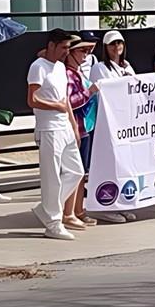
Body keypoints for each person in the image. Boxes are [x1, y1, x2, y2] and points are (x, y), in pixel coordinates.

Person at [27, 29, 84, 241]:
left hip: (64, 127)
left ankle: (48, 210)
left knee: (76, 171)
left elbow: (65, 100)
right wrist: (56, 106)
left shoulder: (60, 67)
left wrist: (73, 125)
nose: (65, 52)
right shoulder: (38, 67)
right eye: (63, 47)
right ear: (51, 45)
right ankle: (53, 222)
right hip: (48, 127)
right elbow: (32, 100)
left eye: (68, 48)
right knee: (52, 177)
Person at [87, 30, 137, 225]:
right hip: (107, 121)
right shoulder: (100, 67)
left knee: (123, 164)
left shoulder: (127, 66)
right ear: (106, 48)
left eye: (120, 44)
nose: (117, 48)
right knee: (108, 164)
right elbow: (102, 90)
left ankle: (121, 203)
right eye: (112, 44)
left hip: (125, 123)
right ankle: (105, 206)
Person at [65, 39, 101, 228]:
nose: (85, 55)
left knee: (80, 173)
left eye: (87, 52)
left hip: (83, 126)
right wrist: (90, 91)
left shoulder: (75, 73)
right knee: (76, 172)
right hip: (77, 127)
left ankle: (77, 210)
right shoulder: (69, 74)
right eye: (81, 51)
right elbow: (70, 101)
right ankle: (72, 211)